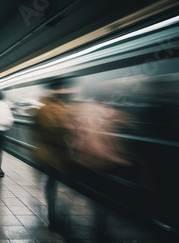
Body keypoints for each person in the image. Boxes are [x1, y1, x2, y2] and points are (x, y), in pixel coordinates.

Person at [34, 77, 132, 242]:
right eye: (62, 89)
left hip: (65, 156)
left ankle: (62, 219)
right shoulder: (47, 109)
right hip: (53, 156)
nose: (65, 92)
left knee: (66, 189)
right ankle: (55, 218)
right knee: (58, 188)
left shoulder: (63, 107)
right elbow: (54, 132)